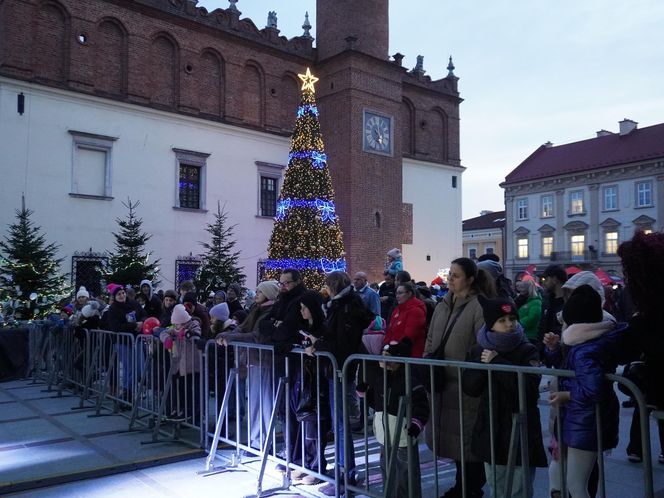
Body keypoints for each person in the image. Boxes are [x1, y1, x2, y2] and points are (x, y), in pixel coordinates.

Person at [547, 285, 628, 498]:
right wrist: (555, 350)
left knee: (575, 484)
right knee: (561, 477)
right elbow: (569, 370)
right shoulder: (586, 341)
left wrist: (568, 395)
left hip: (584, 422)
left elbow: (593, 388)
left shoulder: (585, 349)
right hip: (575, 421)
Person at [462, 295, 546, 498]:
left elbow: (528, 390)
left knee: (519, 488)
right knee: (496, 485)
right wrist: (482, 366)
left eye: (512, 319)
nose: (509, 324)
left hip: (518, 427)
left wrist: (498, 364)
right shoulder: (480, 348)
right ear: (491, 324)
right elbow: (470, 388)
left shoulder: (527, 349)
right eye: (502, 321)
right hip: (490, 426)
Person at [424, 257, 493, 498]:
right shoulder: (443, 303)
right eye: (450, 274)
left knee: (467, 442)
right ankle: (460, 485)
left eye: (455, 275)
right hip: (444, 383)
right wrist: (427, 362)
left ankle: (471, 489)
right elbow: (431, 338)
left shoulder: (479, 306)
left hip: (467, 386)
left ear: (470, 279)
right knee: (454, 442)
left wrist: (469, 368)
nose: (450, 279)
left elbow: (482, 343)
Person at [305, 270, 373, 496]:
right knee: (339, 424)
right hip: (337, 368)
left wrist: (319, 345)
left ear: (333, 286)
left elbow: (342, 343)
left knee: (341, 425)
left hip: (341, 369)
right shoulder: (340, 305)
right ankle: (343, 474)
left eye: (326, 285)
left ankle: (346, 475)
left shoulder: (347, 307)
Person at [358, 338, 429, 498]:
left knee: (405, 476)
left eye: (387, 354)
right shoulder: (380, 379)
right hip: (385, 438)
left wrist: (416, 423)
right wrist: (364, 393)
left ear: (397, 360)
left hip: (403, 437)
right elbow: (375, 402)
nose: (382, 357)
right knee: (387, 473)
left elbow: (421, 405)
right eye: (382, 353)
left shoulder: (408, 380)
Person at [618, 231, 664, 466]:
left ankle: (637, 447)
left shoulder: (648, 316)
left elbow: (627, 349)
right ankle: (637, 447)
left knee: (643, 406)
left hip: (656, 384)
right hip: (653, 386)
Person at [216, 280, 280, 450]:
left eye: (260, 291)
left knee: (263, 403)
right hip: (252, 360)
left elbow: (257, 337)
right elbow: (243, 328)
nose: (257, 294)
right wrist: (228, 333)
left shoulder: (270, 312)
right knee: (254, 403)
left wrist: (232, 338)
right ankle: (255, 440)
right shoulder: (256, 309)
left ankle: (263, 442)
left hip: (263, 361)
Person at [295, 290, 331, 485]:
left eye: (304, 308)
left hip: (319, 381)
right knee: (306, 423)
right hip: (306, 380)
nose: (302, 311)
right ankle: (307, 463)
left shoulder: (322, 328)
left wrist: (316, 347)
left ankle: (317, 466)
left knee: (316, 427)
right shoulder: (303, 327)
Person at [159, 303, 201, 420]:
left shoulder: (193, 324)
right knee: (179, 389)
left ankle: (190, 411)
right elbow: (164, 332)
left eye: (178, 324)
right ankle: (179, 409)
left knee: (190, 390)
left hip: (191, 363)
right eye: (175, 324)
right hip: (179, 364)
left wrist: (188, 334)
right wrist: (166, 339)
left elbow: (197, 334)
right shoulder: (175, 328)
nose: (177, 326)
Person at [107, 285, 146, 403]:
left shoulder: (134, 303)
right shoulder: (113, 309)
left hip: (137, 339)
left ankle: (128, 391)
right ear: (114, 296)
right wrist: (134, 325)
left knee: (140, 368)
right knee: (129, 369)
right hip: (123, 341)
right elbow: (115, 326)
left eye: (123, 293)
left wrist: (142, 322)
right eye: (119, 294)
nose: (122, 295)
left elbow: (144, 313)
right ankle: (127, 394)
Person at [383, 281, 427, 358]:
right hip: (394, 354)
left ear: (409, 293)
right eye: (396, 293)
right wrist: (385, 347)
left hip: (410, 356)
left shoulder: (416, 311)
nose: (397, 296)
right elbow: (389, 331)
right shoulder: (397, 310)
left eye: (400, 293)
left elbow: (409, 336)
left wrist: (393, 349)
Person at [537, 264, 567, 361]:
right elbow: (542, 327)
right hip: (546, 354)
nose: (544, 283)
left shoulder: (570, 302)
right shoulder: (547, 300)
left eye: (546, 279)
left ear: (555, 279)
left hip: (564, 354)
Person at [515, 279, 542, 344]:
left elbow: (533, 317)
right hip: (519, 334)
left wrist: (517, 324)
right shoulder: (519, 300)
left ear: (528, 288)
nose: (520, 290)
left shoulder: (536, 301)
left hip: (529, 336)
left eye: (522, 287)